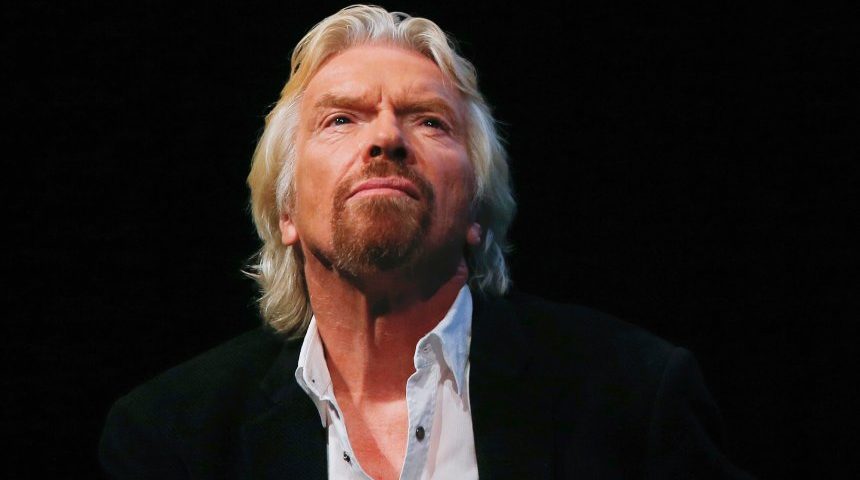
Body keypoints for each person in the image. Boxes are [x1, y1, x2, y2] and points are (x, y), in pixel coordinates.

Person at [99, 5, 752, 479]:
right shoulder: (170, 434)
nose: (386, 138)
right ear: (286, 209)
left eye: (430, 121)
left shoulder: (633, 397)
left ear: (476, 211)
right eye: (341, 119)